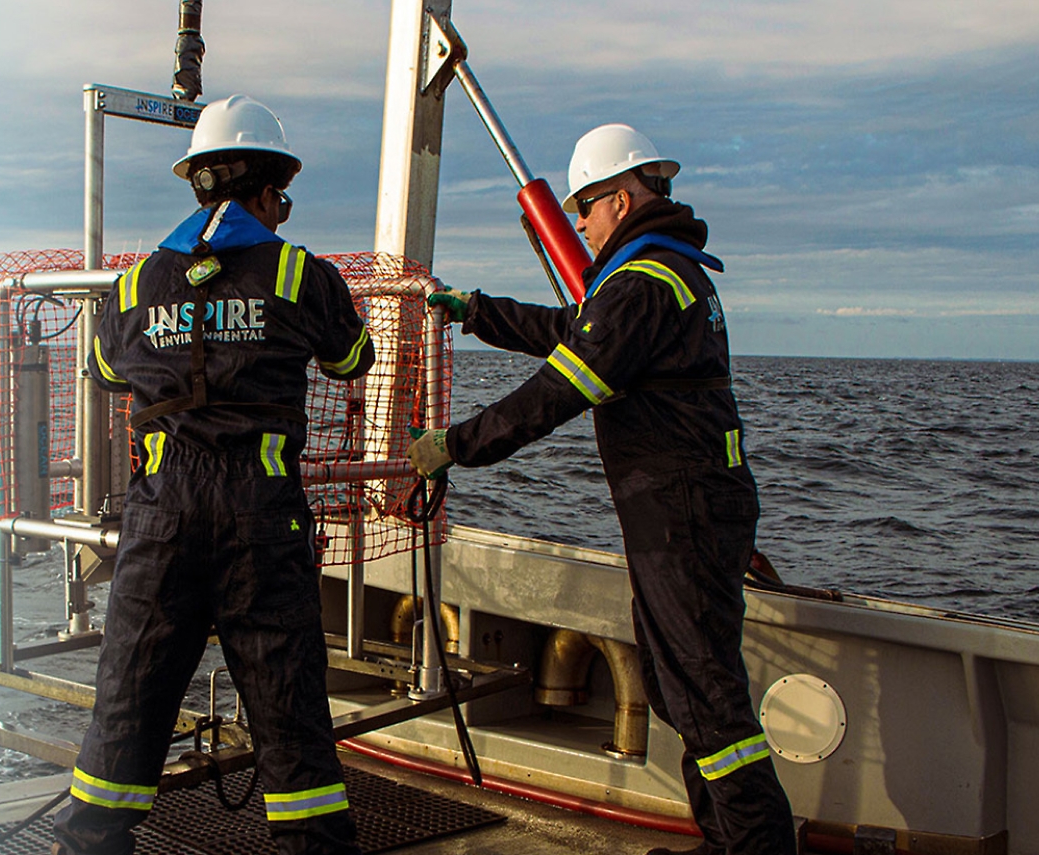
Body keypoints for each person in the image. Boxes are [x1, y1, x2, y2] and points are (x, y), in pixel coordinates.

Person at [407, 123, 795, 855]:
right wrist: (479, 311)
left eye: (585, 207)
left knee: (707, 697)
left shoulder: (643, 282)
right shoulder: (662, 272)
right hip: (690, 508)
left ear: (620, 198)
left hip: (680, 513)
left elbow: (559, 388)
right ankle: (725, 839)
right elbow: (573, 326)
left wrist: (451, 445)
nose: (579, 224)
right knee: (682, 681)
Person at [54, 94, 373, 855]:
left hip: (160, 516)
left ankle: (90, 840)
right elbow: (352, 358)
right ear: (266, 192)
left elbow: (102, 369)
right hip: (259, 515)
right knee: (289, 706)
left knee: (129, 695)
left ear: (198, 184)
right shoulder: (299, 274)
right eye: (282, 199)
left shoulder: (134, 286)